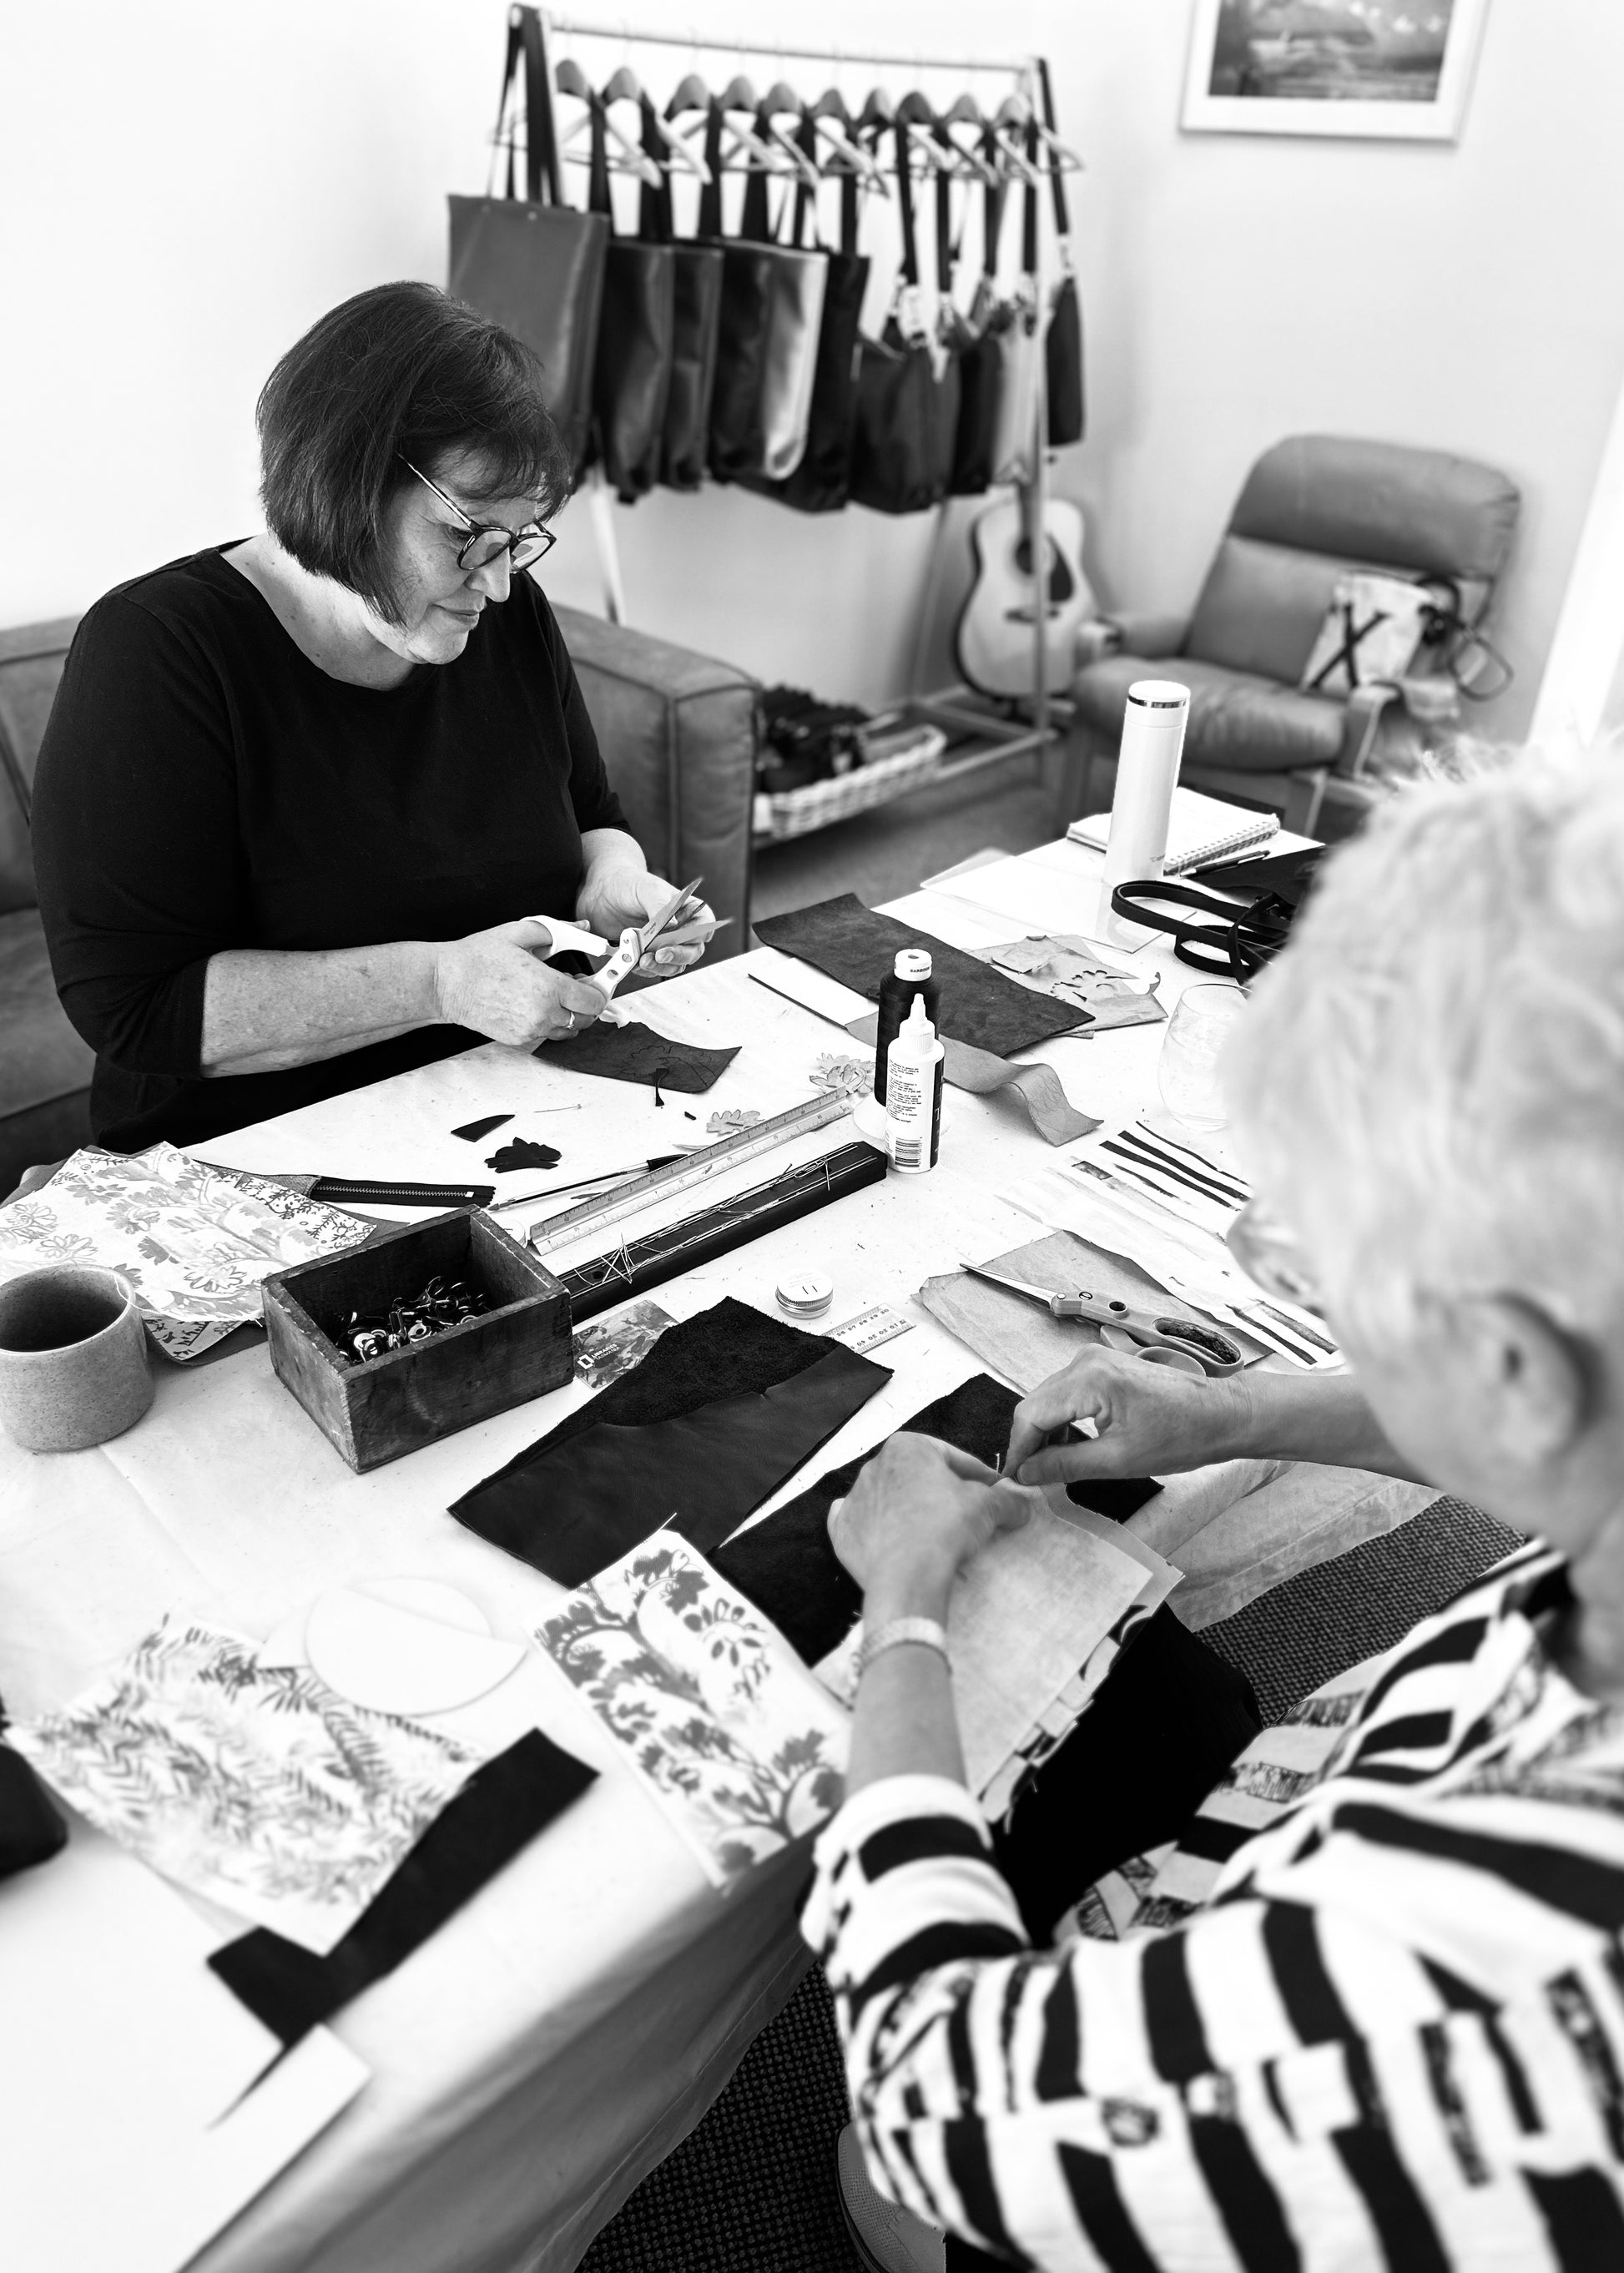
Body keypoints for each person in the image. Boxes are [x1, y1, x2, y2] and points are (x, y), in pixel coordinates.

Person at [811, 748, 1624, 2270]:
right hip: (1290, 1860)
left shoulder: (1453, 1953)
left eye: (1325, 1276)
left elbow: (929, 2082)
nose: (1287, 1286)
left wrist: (906, 1607)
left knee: (875, 2167)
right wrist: (1235, 1407)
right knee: (1166, 1704)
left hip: (1200, 2122)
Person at [30, 281, 710, 1155]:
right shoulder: (157, 652)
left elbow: (592, 817)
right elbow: (135, 1006)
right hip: (252, 1151)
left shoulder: (507, 613)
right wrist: (437, 983)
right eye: (466, 534)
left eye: (519, 539)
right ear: (344, 484)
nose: (498, 582)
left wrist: (611, 884)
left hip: (500, 1109)